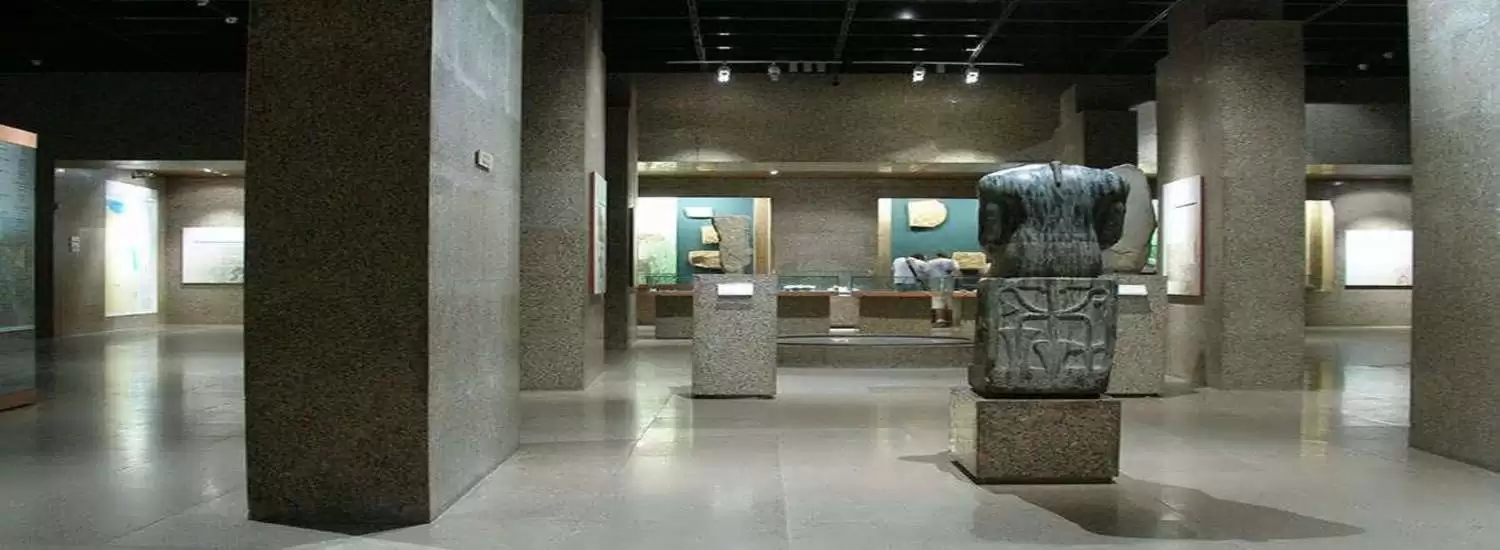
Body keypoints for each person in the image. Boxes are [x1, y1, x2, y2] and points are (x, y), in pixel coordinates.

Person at [926, 252, 959, 326]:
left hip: (935, 284)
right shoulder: (951, 261)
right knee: (949, 302)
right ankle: (950, 321)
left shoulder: (930, 262)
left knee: (937, 302)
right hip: (948, 284)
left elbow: (926, 272)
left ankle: (940, 320)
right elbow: (957, 271)